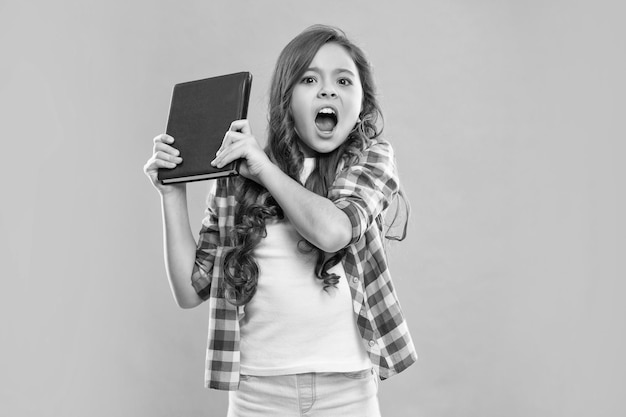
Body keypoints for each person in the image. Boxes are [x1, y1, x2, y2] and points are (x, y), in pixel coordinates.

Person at [144, 24, 417, 417]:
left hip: (346, 391)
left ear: (361, 103)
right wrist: (171, 193)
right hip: (258, 392)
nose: (327, 90)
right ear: (287, 99)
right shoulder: (236, 181)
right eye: (309, 79)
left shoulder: (370, 160)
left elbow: (334, 231)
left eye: (343, 80)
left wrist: (263, 170)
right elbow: (190, 292)